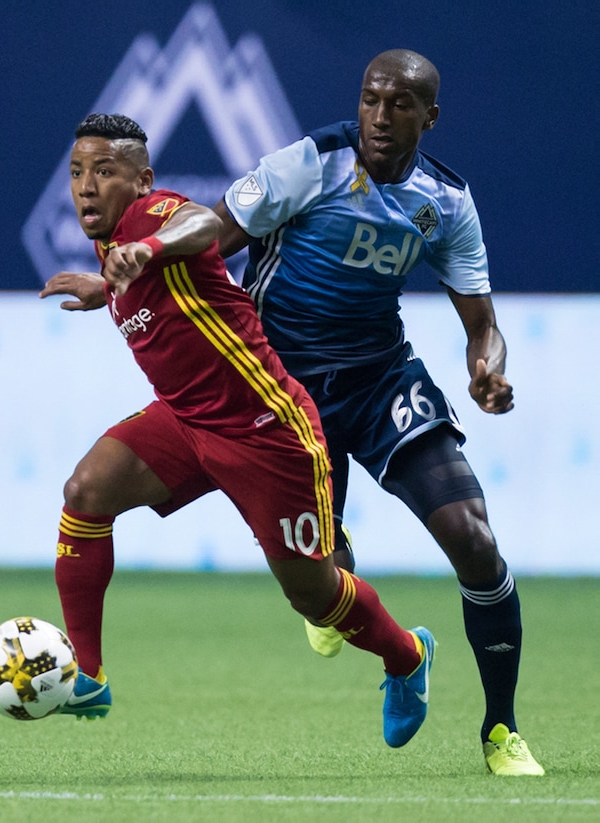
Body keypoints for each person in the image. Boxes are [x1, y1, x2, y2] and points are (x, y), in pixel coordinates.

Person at [39, 112, 436, 749]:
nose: (86, 186)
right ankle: (88, 675)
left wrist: (152, 247)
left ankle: (407, 657)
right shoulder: (111, 241)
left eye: (104, 172)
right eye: (78, 173)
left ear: (141, 181)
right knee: (86, 492)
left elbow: (199, 224)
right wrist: (102, 285)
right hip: (187, 419)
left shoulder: (151, 219)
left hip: (267, 430)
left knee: (313, 596)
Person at [212, 50, 544, 777]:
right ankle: (366, 600)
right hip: (286, 389)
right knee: (325, 582)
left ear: (431, 117)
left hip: (380, 377)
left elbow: (482, 323)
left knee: (475, 540)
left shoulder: (446, 201)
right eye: (371, 100)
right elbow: (213, 237)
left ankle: (501, 730)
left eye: (401, 105)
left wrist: (487, 366)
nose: (381, 117)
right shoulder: (311, 165)